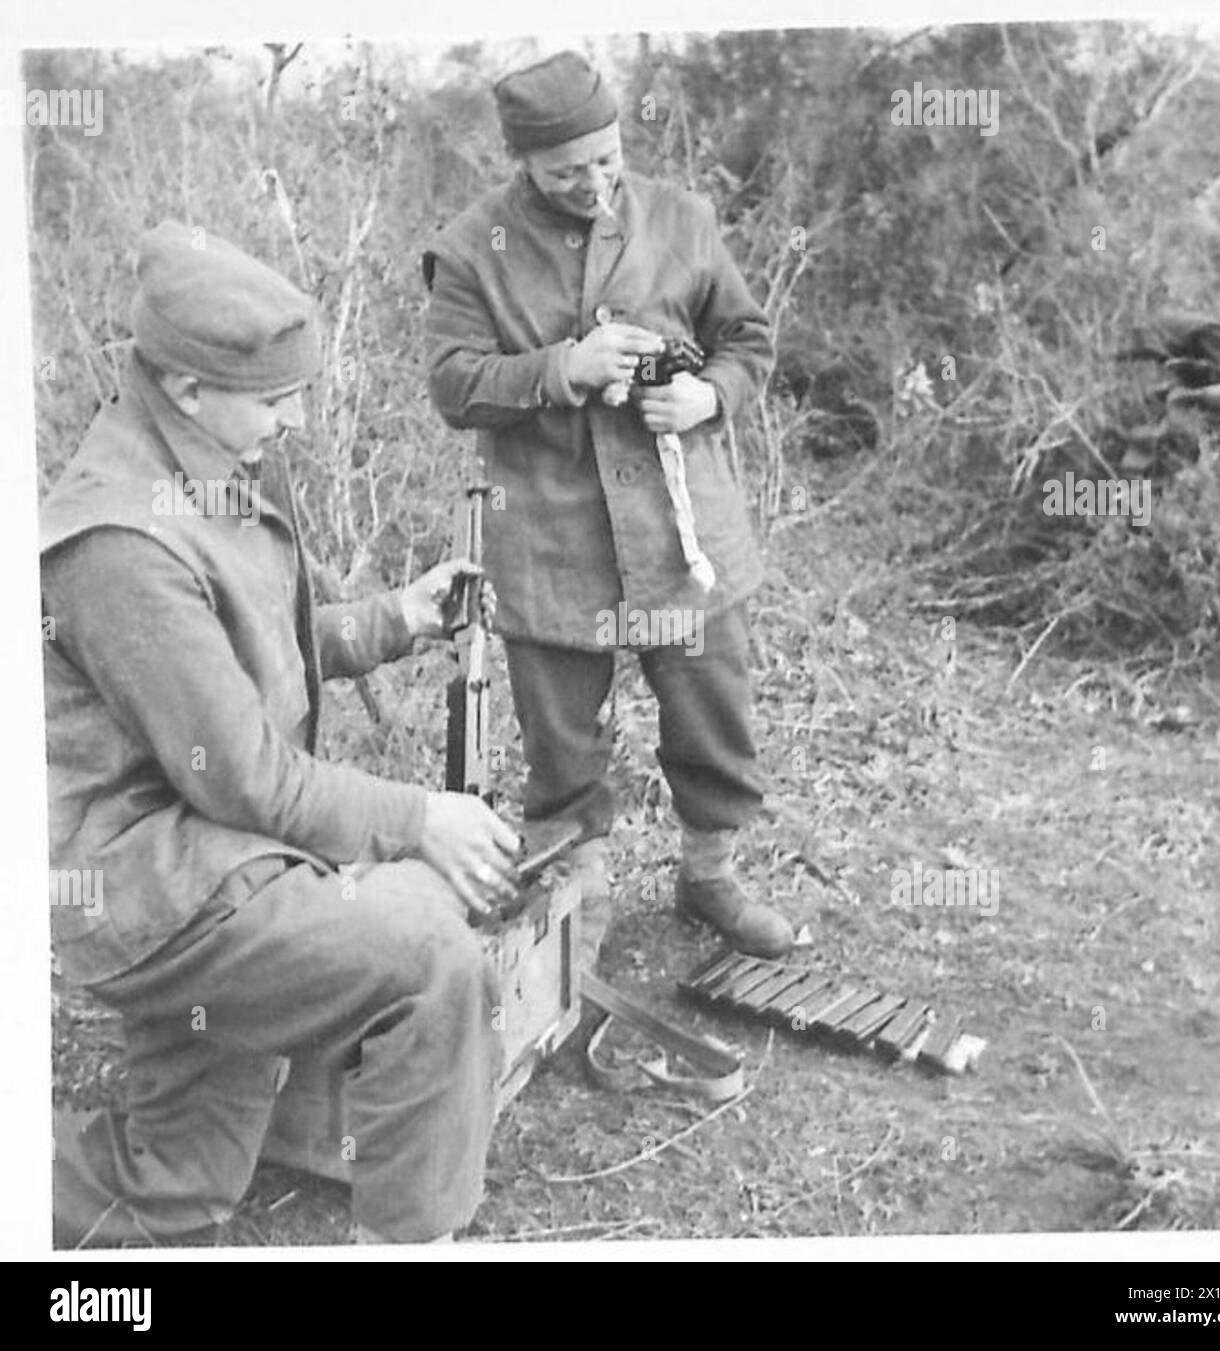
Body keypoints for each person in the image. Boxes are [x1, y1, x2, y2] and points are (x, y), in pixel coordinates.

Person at [44, 220, 519, 1247]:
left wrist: (394, 618)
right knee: (430, 946)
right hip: (159, 892)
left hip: (213, 853)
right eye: (275, 398)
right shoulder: (120, 540)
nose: (295, 419)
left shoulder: (207, 453)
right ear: (185, 387)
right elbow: (248, 776)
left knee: (179, 1189)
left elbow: (251, 652)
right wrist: (416, 820)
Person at [425, 51, 795, 969]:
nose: (594, 183)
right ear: (523, 163)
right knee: (562, 740)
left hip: (681, 534)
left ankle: (709, 874)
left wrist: (710, 396)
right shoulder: (473, 248)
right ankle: (576, 900)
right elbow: (453, 384)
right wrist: (561, 369)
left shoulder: (681, 218)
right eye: (566, 172)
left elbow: (746, 338)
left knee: (713, 710)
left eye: (607, 159)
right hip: (550, 537)